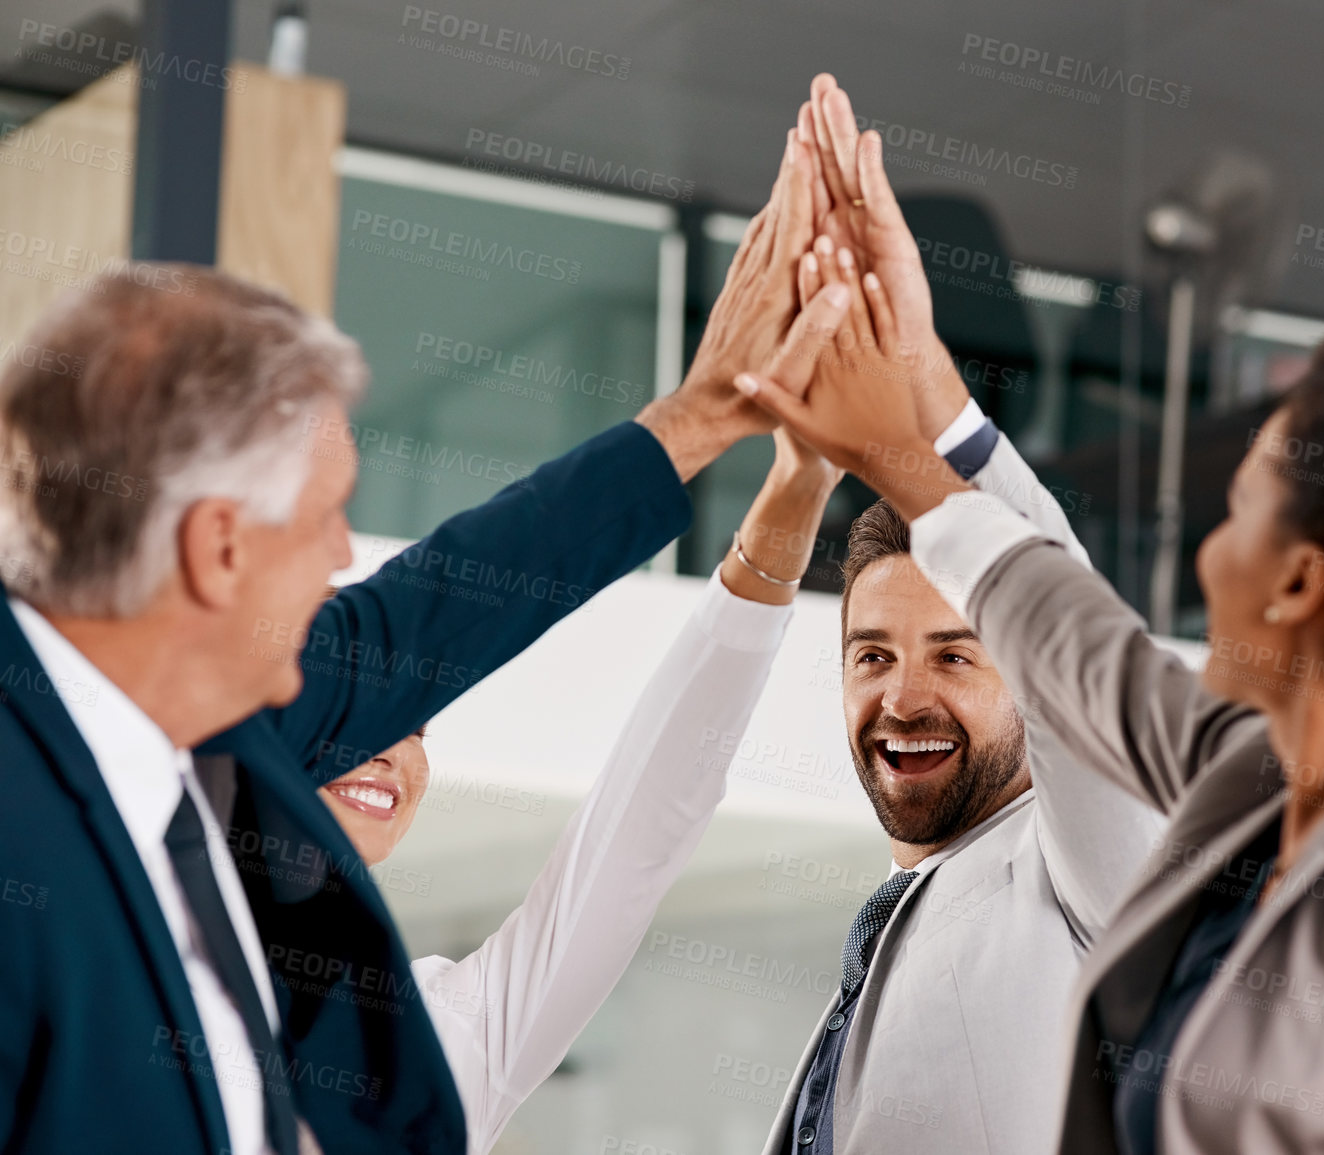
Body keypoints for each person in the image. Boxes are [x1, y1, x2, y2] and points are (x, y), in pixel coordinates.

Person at [742, 97, 1324, 1147]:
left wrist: (904, 449)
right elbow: (1080, 646)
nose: (1207, 551)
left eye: (1243, 510)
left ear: (1303, 583)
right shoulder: (1257, 785)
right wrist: (920, 392)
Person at [0, 124, 851, 1154]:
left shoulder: (207, 738)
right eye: (326, 517)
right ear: (218, 548)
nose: (339, 557)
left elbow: (427, 612)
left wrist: (702, 420)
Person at [727, 81, 1167, 1155]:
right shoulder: (894, 932)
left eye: (956, 654)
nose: (903, 695)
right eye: (871, 653)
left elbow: (1061, 609)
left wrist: (924, 383)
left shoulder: (1092, 874)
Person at [314, 427, 840, 1154]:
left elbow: (643, 825)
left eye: (417, 725)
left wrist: (793, 497)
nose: (391, 750)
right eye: (362, 708)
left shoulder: (437, 1034)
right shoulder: (146, 945)